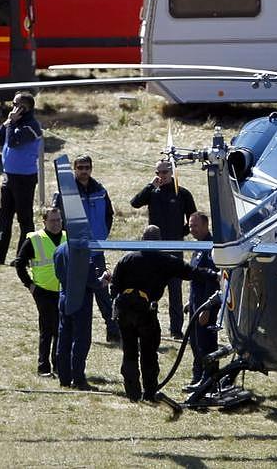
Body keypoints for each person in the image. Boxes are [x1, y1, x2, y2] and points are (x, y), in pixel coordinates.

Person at [108, 224, 216, 403]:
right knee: (149, 353)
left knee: (129, 352)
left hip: (125, 312)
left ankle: (133, 393)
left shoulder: (127, 259)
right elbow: (191, 272)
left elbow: (115, 286)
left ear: (142, 239)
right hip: (146, 312)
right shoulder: (165, 260)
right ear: (159, 241)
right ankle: (149, 393)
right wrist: (215, 275)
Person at [130, 158, 196, 338]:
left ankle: (176, 330)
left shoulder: (182, 194)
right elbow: (135, 203)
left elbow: (192, 218)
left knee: (175, 289)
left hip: (174, 248)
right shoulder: (152, 192)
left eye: (164, 172)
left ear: (172, 172)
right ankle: (150, 324)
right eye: (157, 173)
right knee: (152, 289)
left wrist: (179, 234)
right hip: (154, 248)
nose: (161, 176)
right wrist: (149, 186)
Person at [0, 91, 43, 265]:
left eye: (17, 105)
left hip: (25, 178)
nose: (13, 108)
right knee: (4, 217)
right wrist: (7, 123)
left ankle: (23, 256)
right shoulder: (13, 123)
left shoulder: (31, 127)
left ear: (26, 108)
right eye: (13, 104)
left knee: (24, 219)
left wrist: (12, 124)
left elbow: (14, 142)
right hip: (9, 176)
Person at [71, 155, 120, 345]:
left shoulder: (100, 190)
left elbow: (109, 215)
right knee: (76, 293)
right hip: (75, 251)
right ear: (74, 169)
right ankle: (75, 332)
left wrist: (102, 235)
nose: (84, 171)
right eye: (80, 167)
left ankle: (113, 330)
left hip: (97, 251)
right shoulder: (67, 192)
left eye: (87, 167)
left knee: (102, 293)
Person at [13, 206, 65, 377]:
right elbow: (19, 263)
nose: (56, 224)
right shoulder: (35, 239)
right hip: (43, 291)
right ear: (44, 221)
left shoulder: (67, 237)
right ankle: (43, 367)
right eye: (52, 220)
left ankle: (59, 364)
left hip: (63, 290)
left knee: (61, 328)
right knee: (48, 328)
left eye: (58, 220)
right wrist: (30, 285)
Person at [52, 234, 101, 389]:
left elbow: (58, 273)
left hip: (64, 297)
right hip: (81, 301)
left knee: (64, 338)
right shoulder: (83, 251)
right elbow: (91, 281)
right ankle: (78, 378)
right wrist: (103, 281)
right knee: (81, 340)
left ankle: (64, 378)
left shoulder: (59, 250)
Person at [185, 211, 220, 392]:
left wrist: (207, 308)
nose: (192, 229)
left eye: (195, 226)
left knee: (206, 342)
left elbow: (213, 280)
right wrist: (189, 302)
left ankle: (209, 379)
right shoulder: (199, 247)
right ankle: (198, 376)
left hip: (206, 305)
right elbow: (195, 276)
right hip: (195, 302)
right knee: (195, 341)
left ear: (206, 225)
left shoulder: (211, 248)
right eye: (190, 226)